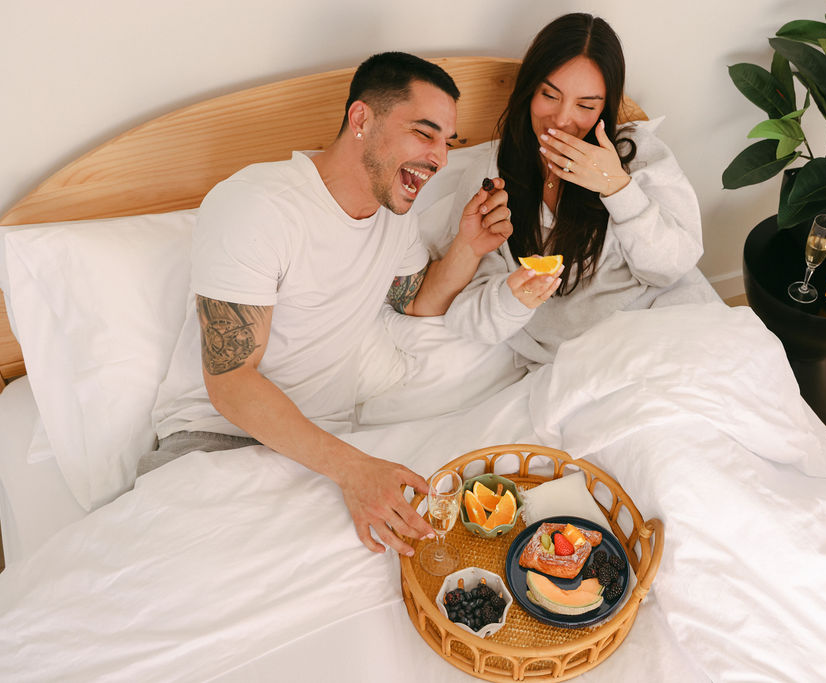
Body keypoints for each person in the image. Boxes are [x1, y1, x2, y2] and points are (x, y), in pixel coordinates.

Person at [146, 52, 514, 557]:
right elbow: (230, 384)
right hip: (219, 442)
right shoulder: (257, 206)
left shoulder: (393, 211)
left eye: (447, 143)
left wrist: (469, 248)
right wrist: (355, 470)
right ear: (361, 118)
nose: (440, 159)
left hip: (327, 448)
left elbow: (413, 302)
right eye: (424, 134)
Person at [443, 13, 706, 365]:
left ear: (605, 108)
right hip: (577, 362)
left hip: (660, 330)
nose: (563, 119)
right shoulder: (491, 177)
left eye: (585, 105)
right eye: (550, 95)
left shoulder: (637, 153)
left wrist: (617, 189)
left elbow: (671, 268)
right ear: (529, 90)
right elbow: (469, 308)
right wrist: (515, 297)